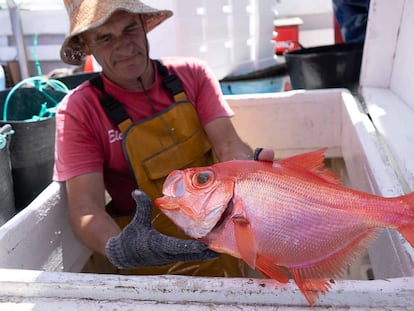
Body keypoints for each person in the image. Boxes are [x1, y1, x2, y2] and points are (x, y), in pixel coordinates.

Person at [54, 0, 274, 276]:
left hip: (222, 242)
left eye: (130, 29)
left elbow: (229, 145)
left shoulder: (191, 74)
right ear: (87, 46)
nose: (124, 46)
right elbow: (85, 207)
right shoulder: (80, 109)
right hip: (150, 269)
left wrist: (250, 173)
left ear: (144, 26)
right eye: (105, 38)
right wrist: (122, 247)